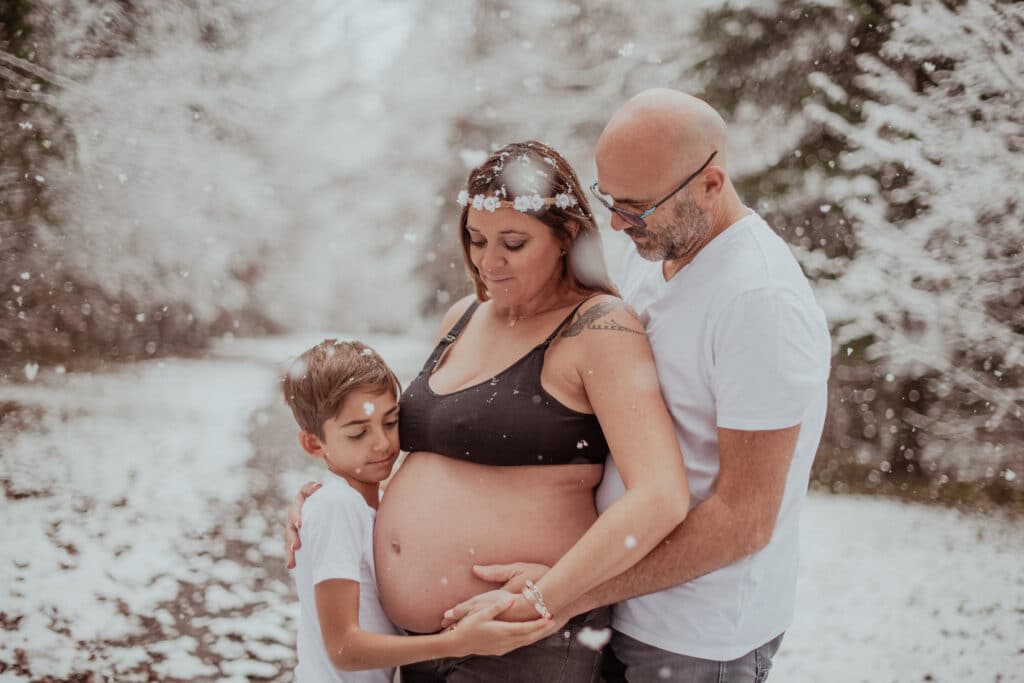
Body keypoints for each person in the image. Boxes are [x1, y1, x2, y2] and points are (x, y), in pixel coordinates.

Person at [445, 90, 832, 682]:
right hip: (614, 610)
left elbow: (743, 519)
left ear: (711, 182)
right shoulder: (656, 251)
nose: (621, 225)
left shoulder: (759, 302)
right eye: (610, 201)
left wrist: (562, 595)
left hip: (697, 636)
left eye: (639, 207)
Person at [285, 141, 691, 681]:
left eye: (513, 243)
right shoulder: (463, 317)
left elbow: (660, 497)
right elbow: (424, 460)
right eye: (476, 240)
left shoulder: (600, 328)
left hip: (519, 642)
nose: (487, 261)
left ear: (566, 236)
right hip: (417, 644)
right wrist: (335, 495)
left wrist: (546, 598)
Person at [280, 339, 557, 682]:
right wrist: (455, 643)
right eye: (358, 433)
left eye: (390, 421)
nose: (382, 443)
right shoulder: (336, 506)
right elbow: (343, 649)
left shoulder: (366, 501)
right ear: (313, 443)